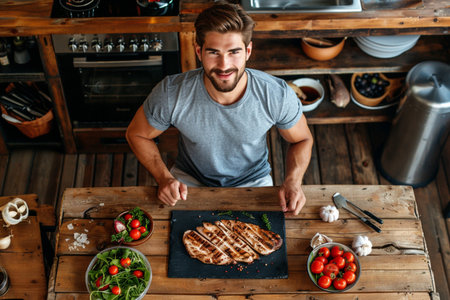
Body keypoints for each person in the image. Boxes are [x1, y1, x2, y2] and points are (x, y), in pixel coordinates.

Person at [126, 1, 313, 215]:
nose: (224, 65)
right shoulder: (172, 92)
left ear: (248, 51)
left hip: (253, 180)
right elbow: (137, 134)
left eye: (234, 52)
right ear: (199, 51)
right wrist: (163, 178)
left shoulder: (276, 94)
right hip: (189, 181)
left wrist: (293, 181)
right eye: (214, 52)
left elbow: (302, 139)